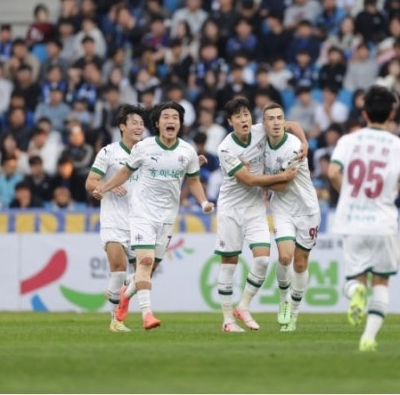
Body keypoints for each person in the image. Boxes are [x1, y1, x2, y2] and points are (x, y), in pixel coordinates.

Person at [94, 102, 215, 331]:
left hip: (167, 217)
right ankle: (147, 315)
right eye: (166, 117)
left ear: (180, 123)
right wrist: (106, 187)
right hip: (141, 215)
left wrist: (204, 202)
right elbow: (125, 172)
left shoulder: (187, 151)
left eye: (175, 118)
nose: (171, 121)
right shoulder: (144, 148)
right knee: (145, 261)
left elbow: (193, 181)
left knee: (147, 271)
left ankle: (125, 295)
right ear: (158, 123)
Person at [327, 85, 400, 351]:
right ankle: (368, 338)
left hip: (352, 219)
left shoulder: (348, 140)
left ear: (364, 111)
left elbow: (333, 172)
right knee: (381, 281)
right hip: (383, 221)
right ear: (392, 113)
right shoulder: (399, 146)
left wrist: (350, 193)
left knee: (355, 279)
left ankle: (356, 293)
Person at [215, 96, 307, 332]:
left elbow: (292, 125)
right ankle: (228, 320)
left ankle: (243, 306)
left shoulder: (260, 130)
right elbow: (249, 179)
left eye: (246, 114)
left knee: (264, 259)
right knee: (230, 262)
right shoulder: (225, 148)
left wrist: (304, 143)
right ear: (230, 121)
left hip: (255, 207)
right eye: (238, 116)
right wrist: (281, 177)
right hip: (231, 208)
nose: (244, 119)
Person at [84, 104, 147, 333]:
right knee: (118, 268)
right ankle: (115, 321)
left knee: (143, 274)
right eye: (134, 123)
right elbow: (90, 182)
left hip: (140, 221)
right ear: (122, 127)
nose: (139, 127)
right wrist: (107, 187)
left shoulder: (148, 151)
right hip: (113, 220)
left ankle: (113, 293)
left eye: (142, 123)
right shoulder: (109, 152)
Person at [262, 103, 321, 332]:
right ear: (264, 123)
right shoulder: (260, 137)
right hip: (283, 208)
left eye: (280, 118)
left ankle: (294, 315)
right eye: (271, 119)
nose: (276, 123)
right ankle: (284, 301)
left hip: (307, 209)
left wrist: (254, 181)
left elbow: (283, 182)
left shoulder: (294, 147)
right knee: (285, 257)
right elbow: (294, 124)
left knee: (300, 263)